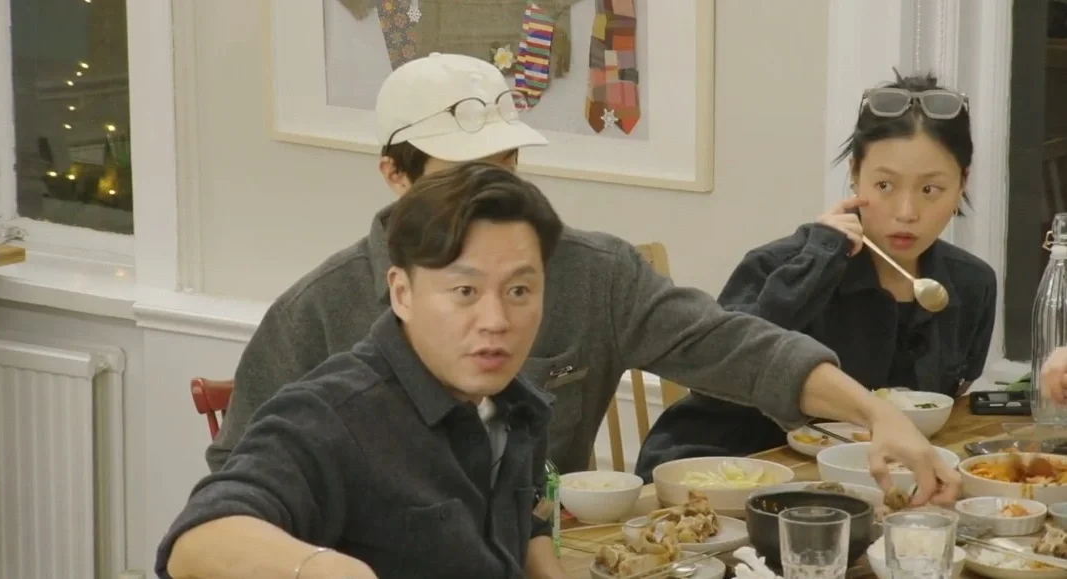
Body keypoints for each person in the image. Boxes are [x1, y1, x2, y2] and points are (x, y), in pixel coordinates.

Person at [214, 53, 960, 503]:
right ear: (394, 176)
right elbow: (236, 489)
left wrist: (876, 414)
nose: (489, 195)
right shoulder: (317, 311)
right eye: (458, 174)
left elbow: (734, 346)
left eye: (503, 166)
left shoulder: (591, 273)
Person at [159, 162, 569, 579]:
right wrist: (319, 568)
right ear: (402, 293)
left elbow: (517, 523)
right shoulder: (330, 417)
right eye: (466, 291)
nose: (496, 320)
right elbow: (197, 542)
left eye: (519, 290)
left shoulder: (515, 404)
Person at [636, 72, 998, 480]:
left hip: (869, 477)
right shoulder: (780, 264)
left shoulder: (971, 284)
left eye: (930, 190)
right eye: (884, 185)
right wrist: (817, 261)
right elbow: (721, 374)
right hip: (728, 468)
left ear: (962, 183)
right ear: (854, 173)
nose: (906, 212)